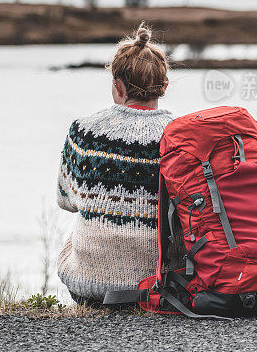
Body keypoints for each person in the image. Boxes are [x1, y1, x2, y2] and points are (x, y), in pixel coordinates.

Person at [56, 22, 181, 306]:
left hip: (90, 287)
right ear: (164, 86)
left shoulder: (84, 131)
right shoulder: (182, 135)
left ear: (117, 84)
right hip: (163, 285)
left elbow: (65, 200)